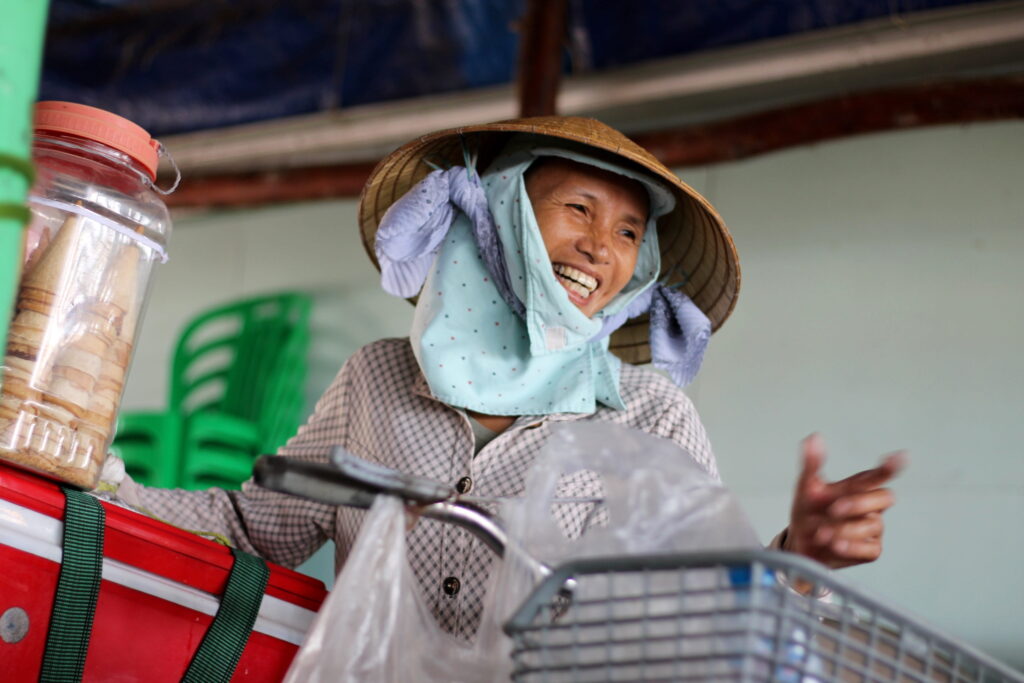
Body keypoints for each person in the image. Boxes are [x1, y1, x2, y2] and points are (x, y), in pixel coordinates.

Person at [107, 116, 904, 639]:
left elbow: (704, 606)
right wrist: (100, 482)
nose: (604, 247)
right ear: (500, 216)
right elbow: (253, 530)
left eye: (630, 231)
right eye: (579, 209)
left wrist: (803, 556)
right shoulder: (377, 380)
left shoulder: (646, 414)